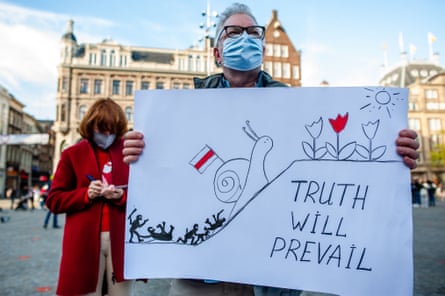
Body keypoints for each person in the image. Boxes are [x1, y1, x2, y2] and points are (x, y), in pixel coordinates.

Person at [122, 3, 420, 296]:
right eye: (234, 33)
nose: (245, 39)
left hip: (266, 281)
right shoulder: (184, 110)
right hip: (199, 280)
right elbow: (169, 177)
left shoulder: (296, 106)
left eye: (253, 33)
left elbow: (329, 163)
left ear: (263, 50)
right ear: (216, 53)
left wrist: (390, 151)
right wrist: (141, 154)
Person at [47, 98, 133, 296]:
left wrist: (121, 195)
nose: (107, 134)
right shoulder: (71, 154)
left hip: (120, 242)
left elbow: (146, 196)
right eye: (102, 128)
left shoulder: (128, 153)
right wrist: (85, 194)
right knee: (84, 291)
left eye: (112, 129)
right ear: (91, 125)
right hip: (83, 242)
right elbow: (54, 200)